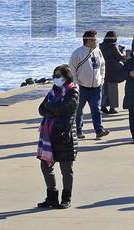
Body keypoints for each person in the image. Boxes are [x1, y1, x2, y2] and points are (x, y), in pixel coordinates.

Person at [36, 65, 79, 209]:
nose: (56, 79)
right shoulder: (52, 91)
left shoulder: (73, 91)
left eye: (58, 76)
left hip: (65, 135)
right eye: (54, 76)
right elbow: (41, 109)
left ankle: (66, 198)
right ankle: (51, 197)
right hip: (49, 136)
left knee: (66, 169)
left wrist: (51, 108)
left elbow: (65, 108)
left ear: (66, 77)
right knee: (45, 165)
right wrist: (53, 109)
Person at [69, 30, 109, 139]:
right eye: (95, 40)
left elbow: (102, 65)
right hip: (81, 87)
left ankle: (99, 131)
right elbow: (72, 68)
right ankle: (79, 130)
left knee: (96, 109)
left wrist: (102, 79)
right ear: (88, 40)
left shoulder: (98, 51)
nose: (97, 42)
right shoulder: (78, 52)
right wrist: (76, 83)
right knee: (78, 109)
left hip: (96, 86)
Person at [99, 31, 125, 115]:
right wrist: (123, 51)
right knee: (113, 90)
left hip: (103, 69)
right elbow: (120, 57)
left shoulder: (101, 46)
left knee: (105, 89)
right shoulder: (113, 46)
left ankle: (103, 106)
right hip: (113, 70)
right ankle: (112, 108)